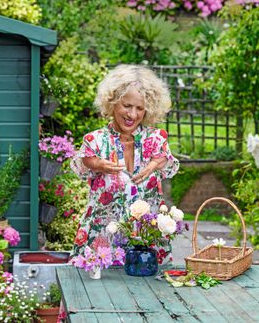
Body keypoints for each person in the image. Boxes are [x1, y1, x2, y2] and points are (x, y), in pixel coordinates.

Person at [70, 64, 179, 264]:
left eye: (139, 108)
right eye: (127, 106)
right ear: (111, 103)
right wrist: (99, 165)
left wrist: (153, 164)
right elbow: (85, 160)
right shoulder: (95, 140)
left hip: (147, 240)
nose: (132, 115)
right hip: (102, 238)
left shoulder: (155, 139)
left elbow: (164, 158)